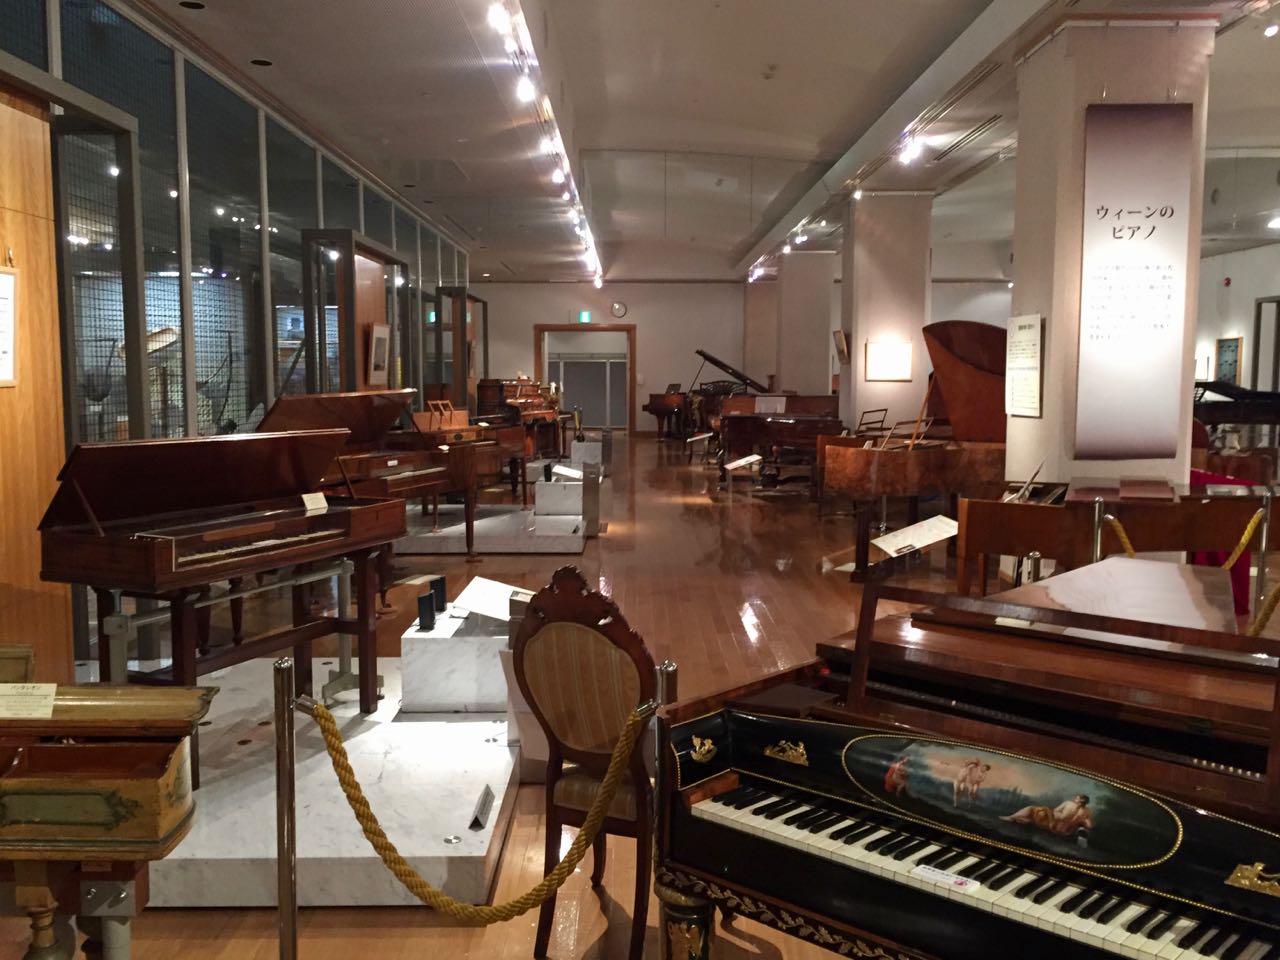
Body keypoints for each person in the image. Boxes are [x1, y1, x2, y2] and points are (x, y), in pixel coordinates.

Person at [1000, 794, 1094, 836]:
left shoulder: (1068, 803)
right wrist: (1081, 821)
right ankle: (1025, 820)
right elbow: (1090, 826)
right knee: (1040, 813)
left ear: (1081, 800)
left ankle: (1011, 817)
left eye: (1076, 798)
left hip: (1052, 823)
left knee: (1032, 808)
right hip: (1063, 831)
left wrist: (1048, 811)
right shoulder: (1087, 811)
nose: (1074, 799)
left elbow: (1055, 810)